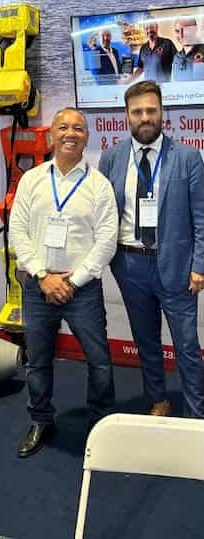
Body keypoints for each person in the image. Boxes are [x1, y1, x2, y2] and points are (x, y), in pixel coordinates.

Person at [8, 107, 117, 458]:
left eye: (78, 128)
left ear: (87, 137)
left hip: (82, 289)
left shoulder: (99, 185)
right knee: (37, 361)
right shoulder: (32, 180)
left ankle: (101, 424)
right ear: (52, 134)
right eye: (64, 127)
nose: (71, 133)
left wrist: (75, 280)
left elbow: (107, 240)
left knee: (99, 361)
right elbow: (17, 232)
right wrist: (42, 276)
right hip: (38, 287)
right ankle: (40, 419)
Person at [98, 80, 204, 419]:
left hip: (177, 268)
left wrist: (199, 265)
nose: (145, 117)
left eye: (151, 110)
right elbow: (103, 214)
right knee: (146, 341)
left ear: (162, 113)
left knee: (187, 346)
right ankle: (159, 401)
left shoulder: (188, 158)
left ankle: (197, 414)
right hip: (130, 266)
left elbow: (201, 216)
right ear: (126, 115)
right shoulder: (111, 158)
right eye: (137, 111)